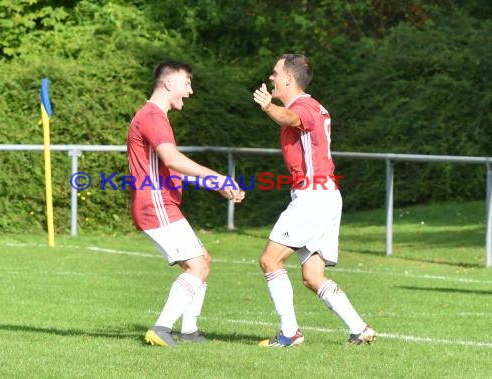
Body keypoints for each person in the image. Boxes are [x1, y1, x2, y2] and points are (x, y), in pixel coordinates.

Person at [252, 54, 377, 347]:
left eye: (274, 73)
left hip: (313, 197)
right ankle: (359, 329)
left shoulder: (303, 106)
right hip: (327, 196)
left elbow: (291, 118)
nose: (271, 78)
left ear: (288, 79)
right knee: (312, 275)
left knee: (270, 260)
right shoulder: (313, 106)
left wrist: (268, 106)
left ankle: (290, 333)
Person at [127, 60, 245, 347]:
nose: (190, 91)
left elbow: (171, 169)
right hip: (155, 204)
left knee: (203, 260)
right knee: (197, 267)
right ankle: (162, 328)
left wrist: (215, 184)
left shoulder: (154, 116)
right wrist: (219, 177)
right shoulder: (153, 116)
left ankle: (189, 331)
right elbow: (173, 160)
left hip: (159, 203)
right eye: (186, 83)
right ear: (168, 84)